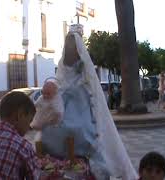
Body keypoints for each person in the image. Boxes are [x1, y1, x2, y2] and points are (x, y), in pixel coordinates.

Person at [41, 24, 138, 180]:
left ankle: (79, 153)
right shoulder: (61, 63)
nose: (70, 49)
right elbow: (59, 80)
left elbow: (90, 86)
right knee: (50, 129)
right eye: (68, 45)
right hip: (62, 104)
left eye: (73, 46)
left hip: (80, 102)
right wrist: (53, 87)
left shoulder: (84, 66)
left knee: (79, 128)